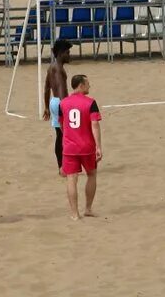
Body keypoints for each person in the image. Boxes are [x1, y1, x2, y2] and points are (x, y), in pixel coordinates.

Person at [59, 74, 102, 220]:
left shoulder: (63, 103)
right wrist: (99, 146)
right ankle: (88, 208)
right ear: (81, 86)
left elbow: (61, 124)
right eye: (88, 84)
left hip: (69, 147)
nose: (90, 86)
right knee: (92, 174)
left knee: (71, 179)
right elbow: (95, 125)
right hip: (86, 147)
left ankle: (74, 214)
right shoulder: (90, 103)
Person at [43, 39, 73, 174]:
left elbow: (46, 88)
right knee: (65, 137)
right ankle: (64, 166)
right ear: (61, 53)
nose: (69, 55)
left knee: (59, 136)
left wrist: (46, 106)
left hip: (54, 102)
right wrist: (66, 107)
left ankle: (61, 166)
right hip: (61, 103)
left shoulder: (51, 67)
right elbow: (61, 89)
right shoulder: (59, 69)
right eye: (67, 52)